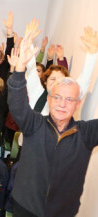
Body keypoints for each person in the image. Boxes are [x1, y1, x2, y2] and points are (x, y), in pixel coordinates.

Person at [8, 25, 98, 217]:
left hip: (63, 212)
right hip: (25, 207)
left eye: (69, 100)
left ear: (77, 103)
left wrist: (93, 54)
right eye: (57, 98)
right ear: (49, 99)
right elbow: (17, 104)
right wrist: (19, 69)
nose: (62, 104)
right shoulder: (34, 124)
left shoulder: (87, 133)